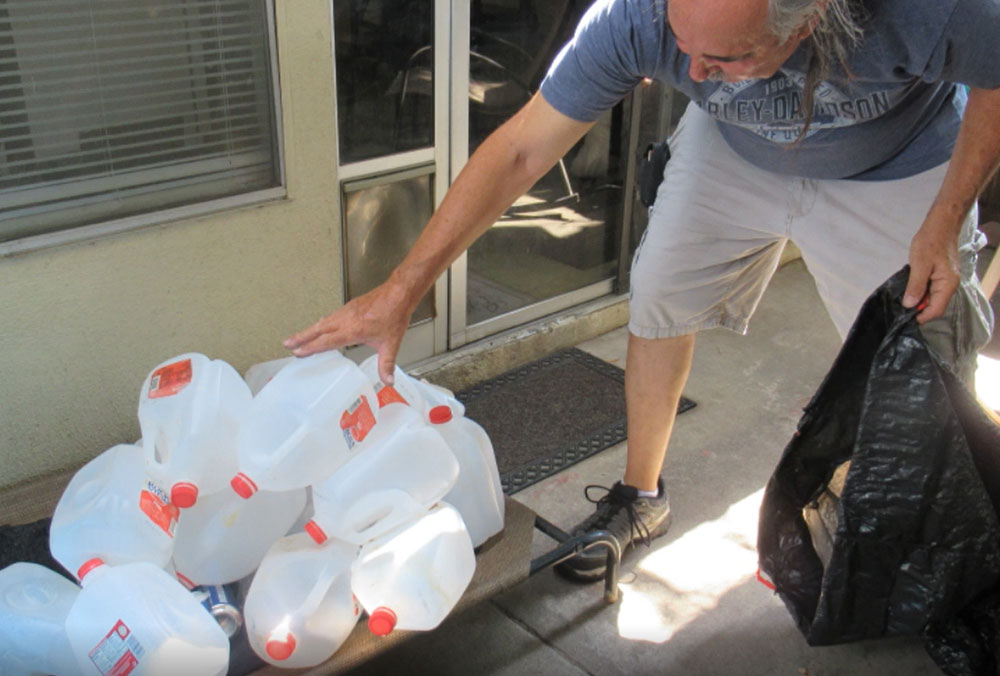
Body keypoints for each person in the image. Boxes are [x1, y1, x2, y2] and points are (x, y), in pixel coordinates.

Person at [285, 0, 1000, 582]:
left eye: (724, 57)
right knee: (657, 290)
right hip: (737, 149)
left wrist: (944, 220)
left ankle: (925, 528)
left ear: (811, 19)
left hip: (897, 164)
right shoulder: (638, 19)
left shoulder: (928, 10)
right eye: (684, 47)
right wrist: (405, 287)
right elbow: (523, 148)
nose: (689, 69)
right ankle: (641, 497)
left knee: (918, 354)